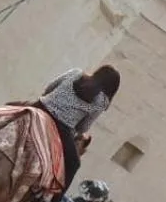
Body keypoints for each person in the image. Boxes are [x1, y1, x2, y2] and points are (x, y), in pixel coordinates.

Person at [37, 66, 119, 194]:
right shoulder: (102, 100)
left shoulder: (76, 73)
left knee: (10, 108)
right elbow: (83, 127)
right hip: (60, 126)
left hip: (39, 106)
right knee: (74, 163)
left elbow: (49, 88)